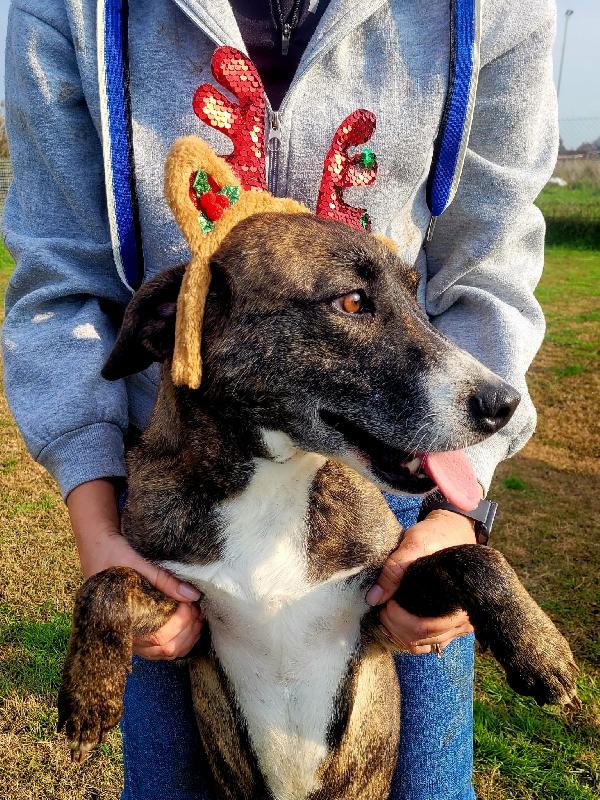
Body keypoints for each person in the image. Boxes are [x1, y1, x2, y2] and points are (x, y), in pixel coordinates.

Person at [2, 1, 558, 799]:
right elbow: (57, 276)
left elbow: (491, 260)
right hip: (169, 510)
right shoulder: (68, 10)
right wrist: (99, 527)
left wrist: (455, 511)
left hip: (386, 488)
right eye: (357, 305)